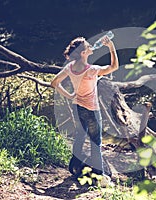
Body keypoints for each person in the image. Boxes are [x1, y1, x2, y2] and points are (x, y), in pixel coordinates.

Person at [51, 34, 118, 184]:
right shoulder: (92, 70)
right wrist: (111, 48)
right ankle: (98, 175)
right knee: (96, 142)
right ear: (83, 53)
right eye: (88, 46)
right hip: (92, 110)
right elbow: (114, 67)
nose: (91, 46)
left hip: (77, 107)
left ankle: (74, 166)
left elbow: (54, 82)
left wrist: (69, 95)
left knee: (80, 137)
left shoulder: (70, 68)